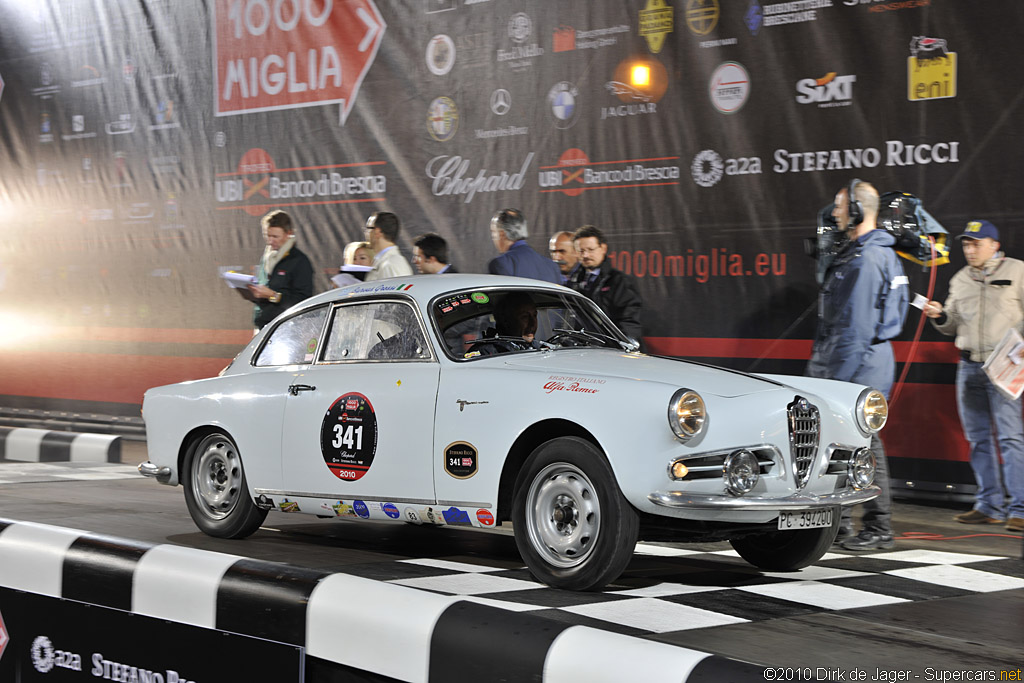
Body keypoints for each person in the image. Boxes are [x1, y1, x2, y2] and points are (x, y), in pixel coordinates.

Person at [806, 179, 909, 550]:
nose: (834, 213)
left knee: (864, 441)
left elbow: (856, 329)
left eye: (839, 206)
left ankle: (878, 527)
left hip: (857, 363)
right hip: (860, 359)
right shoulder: (868, 253)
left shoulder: (867, 259)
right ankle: (843, 524)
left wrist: (834, 382)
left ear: (858, 210)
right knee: (849, 442)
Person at [924, 220, 1024, 532]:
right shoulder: (961, 278)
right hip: (968, 366)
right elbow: (952, 323)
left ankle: (1019, 508)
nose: (969, 250)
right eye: (966, 244)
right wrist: (940, 315)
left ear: (994, 245)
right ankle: (989, 504)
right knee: (978, 439)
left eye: (976, 244)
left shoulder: (1018, 272)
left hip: (1004, 366)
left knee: (1010, 438)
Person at [567, 225, 643, 341]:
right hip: (581, 350)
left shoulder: (619, 282)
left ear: (603, 248)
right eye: (581, 251)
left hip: (611, 350)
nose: (586, 255)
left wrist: (622, 345)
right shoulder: (572, 283)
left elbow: (630, 321)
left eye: (591, 250)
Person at [247, 210, 314, 331]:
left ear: (289, 233)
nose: (270, 240)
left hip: (286, 328)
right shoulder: (266, 258)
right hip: (262, 325)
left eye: (275, 236)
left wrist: (274, 295)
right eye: (267, 235)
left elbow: (304, 300)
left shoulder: (299, 261)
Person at [487, 208, 561, 284]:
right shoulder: (552, 267)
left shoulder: (501, 264)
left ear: (502, 234)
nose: (493, 237)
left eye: (493, 232)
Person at [364, 211, 413, 281]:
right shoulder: (387, 262)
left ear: (377, 232)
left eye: (368, 228)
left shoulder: (391, 264)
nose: (366, 233)